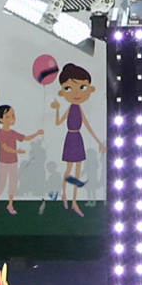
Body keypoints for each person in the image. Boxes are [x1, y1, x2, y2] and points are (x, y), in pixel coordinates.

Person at [54, 62, 101, 210]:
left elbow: (87, 125)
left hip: (78, 138)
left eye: (82, 88)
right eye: (68, 88)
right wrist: (57, 109)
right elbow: (58, 122)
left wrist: (99, 142)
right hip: (71, 138)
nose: (76, 93)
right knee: (68, 169)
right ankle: (64, 195)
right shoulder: (70, 108)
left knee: (78, 170)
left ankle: (74, 200)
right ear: (62, 91)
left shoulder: (79, 109)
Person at [0, 103, 31, 212]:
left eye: (13, 115)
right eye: (8, 116)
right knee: (1, 183)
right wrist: (17, 151)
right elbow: (5, 147)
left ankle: (10, 204)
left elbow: (25, 138)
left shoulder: (13, 132)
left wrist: (38, 133)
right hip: (4, 162)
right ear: (1, 119)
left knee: (13, 183)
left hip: (13, 162)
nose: (12, 118)